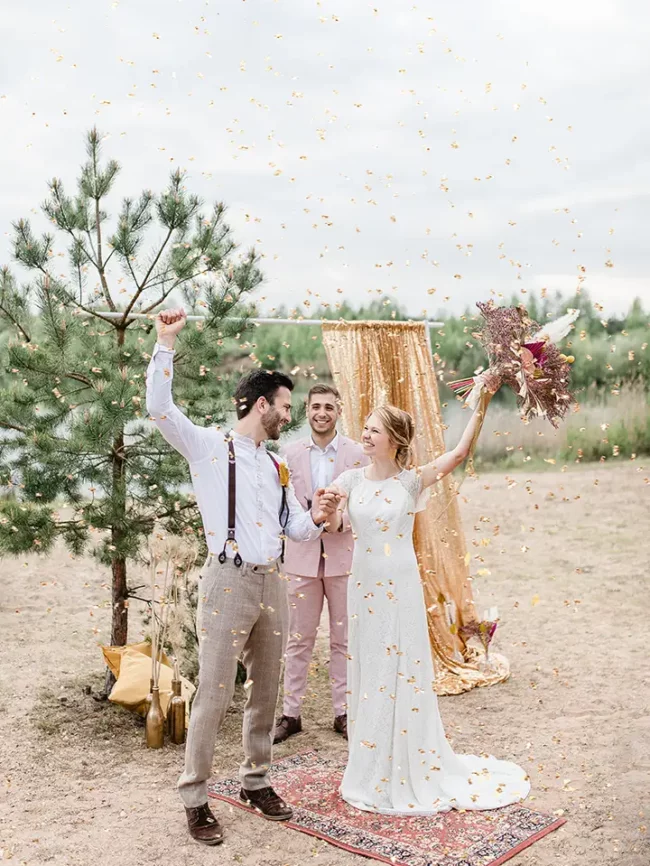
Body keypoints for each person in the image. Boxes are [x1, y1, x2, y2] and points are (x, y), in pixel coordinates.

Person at [145, 308, 340, 845]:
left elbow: (294, 528)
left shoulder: (275, 464)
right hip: (227, 581)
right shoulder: (209, 447)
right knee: (214, 693)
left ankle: (256, 781)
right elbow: (159, 409)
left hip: (272, 582)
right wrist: (165, 343)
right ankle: (196, 798)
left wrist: (318, 515)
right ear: (262, 405)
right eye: (284, 407)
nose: (289, 415)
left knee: (266, 690)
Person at [325, 404, 531, 815]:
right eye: (364, 428)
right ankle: (370, 763)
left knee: (398, 669)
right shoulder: (348, 480)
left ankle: (406, 760)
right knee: (370, 668)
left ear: (396, 440)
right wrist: (329, 512)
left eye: (375, 430)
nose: (365, 435)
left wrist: (481, 403)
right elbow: (335, 528)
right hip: (363, 585)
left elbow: (457, 454)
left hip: (399, 587)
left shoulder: (411, 483)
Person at [273, 384, 369, 745]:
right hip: (300, 560)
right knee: (298, 639)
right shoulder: (288, 454)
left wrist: (338, 521)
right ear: (306, 410)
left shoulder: (358, 454)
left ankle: (343, 713)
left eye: (329, 406)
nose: (322, 413)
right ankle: (291, 713)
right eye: (315, 406)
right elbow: (284, 506)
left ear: (338, 411)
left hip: (344, 559)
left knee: (344, 640)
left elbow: (364, 506)